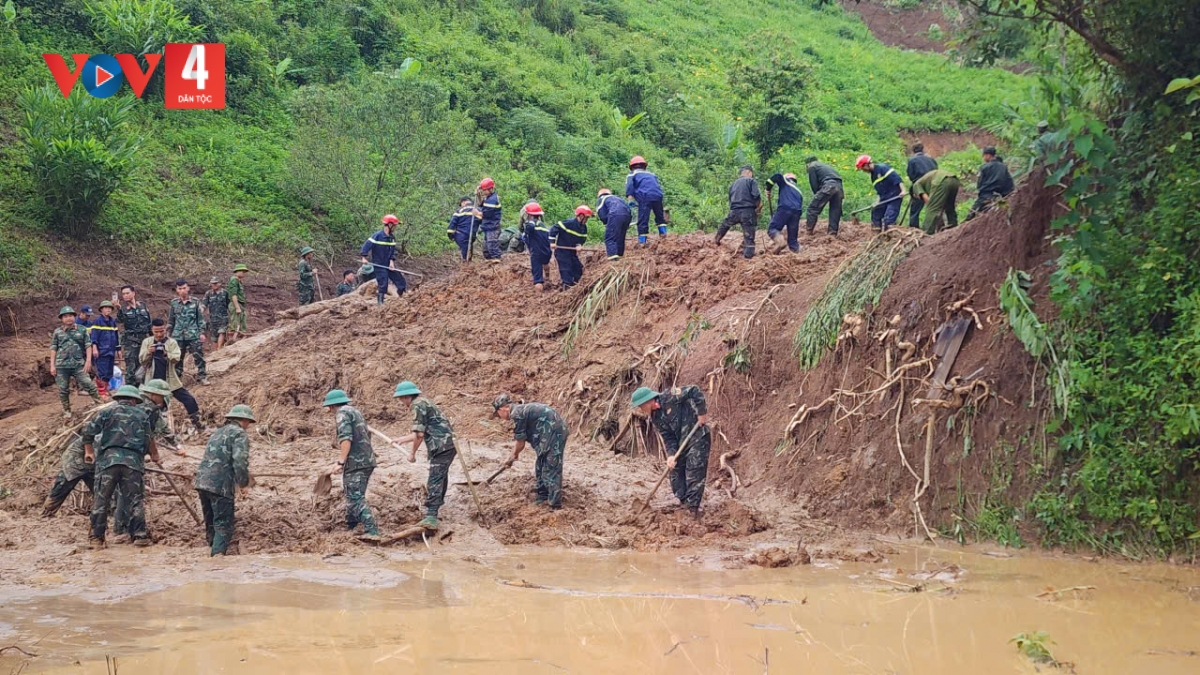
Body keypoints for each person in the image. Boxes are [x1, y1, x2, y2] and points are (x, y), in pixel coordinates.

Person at [82, 385, 157, 548]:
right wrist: (150, 455)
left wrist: (89, 451)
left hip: (108, 462)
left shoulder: (106, 412)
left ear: (119, 398)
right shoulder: (142, 415)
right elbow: (148, 439)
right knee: (135, 500)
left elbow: (88, 431)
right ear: (134, 400)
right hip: (133, 464)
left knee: (102, 499)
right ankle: (139, 536)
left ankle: (96, 538)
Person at [631, 386, 712, 517]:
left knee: (694, 472)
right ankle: (683, 502)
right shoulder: (655, 417)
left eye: (641, 406)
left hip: (697, 436)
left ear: (647, 401)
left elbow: (694, 390)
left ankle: (692, 510)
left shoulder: (670, 395)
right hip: (681, 444)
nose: (641, 409)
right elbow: (668, 438)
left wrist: (701, 413)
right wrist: (671, 455)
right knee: (675, 473)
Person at [391, 381, 457, 530]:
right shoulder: (424, 402)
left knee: (435, 479)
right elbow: (422, 431)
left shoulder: (417, 405)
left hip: (441, 446)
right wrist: (402, 439)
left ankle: (431, 516)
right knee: (441, 476)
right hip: (448, 445)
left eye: (401, 399)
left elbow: (419, 435)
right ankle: (436, 508)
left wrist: (412, 453)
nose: (401, 402)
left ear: (406, 397)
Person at [194, 404, 255, 556]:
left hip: (202, 481)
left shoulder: (217, 433)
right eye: (248, 422)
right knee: (223, 524)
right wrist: (243, 483)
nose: (248, 426)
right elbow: (240, 461)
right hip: (220, 485)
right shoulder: (239, 434)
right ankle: (217, 558)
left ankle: (210, 551)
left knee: (210, 521)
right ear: (244, 420)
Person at [322, 389, 381, 541]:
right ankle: (351, 525)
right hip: (367, 461)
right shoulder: (355, 412)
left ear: (331, 406)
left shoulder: (341, 414)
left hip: (356, 463)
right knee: (352, 494)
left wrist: (340, 462)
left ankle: (372, 531)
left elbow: (346, 439)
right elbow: (367, 434)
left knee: (355, 498)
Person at [493, 394, 568, 509]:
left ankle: (555, 505)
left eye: (498, 414)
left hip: (554, 432)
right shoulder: (519, 411)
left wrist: (512, 456)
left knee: (551, 466)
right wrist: (514, 454)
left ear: (503, 409)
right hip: (546, 434)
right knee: (540, 464)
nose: (499, 417)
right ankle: (543, 495)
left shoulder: (516, 414)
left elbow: (520, 442)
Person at [141, 319, 204, 431]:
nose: (159, 334)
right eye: (156, 332)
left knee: (189, 400)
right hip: (152, 382)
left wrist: (166, 353)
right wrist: (148, 352)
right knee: (151, 407)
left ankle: (198, 423)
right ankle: (152, 430)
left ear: (165, 329)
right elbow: (142, 360)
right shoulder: (147, 342)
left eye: (161, 331)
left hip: (170, 380)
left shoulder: (171, 342)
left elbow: (176, 358)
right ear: (152, 330)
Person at [50, 306, 102, 419]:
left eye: (70, 316)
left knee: (89, 384)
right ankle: (67, 411)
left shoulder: (82, 329)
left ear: (74, 317)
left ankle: (100, 405)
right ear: (61, 319)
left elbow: (88, 345)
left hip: (78, 365)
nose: (68, 318)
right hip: (61, 366)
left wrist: (88, 361)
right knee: (63, 389)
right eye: (65, 316)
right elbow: (53, 348)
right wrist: (52, 365)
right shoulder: (57, 332)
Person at [715, 165, 762, 259]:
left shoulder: (733, 184)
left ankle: (717, 239)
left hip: (734, 211)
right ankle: (748, 257)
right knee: (749, 235)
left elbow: (730, 199)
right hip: (748, 211)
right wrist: (758, 208)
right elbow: (756, 195)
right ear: (749, 172)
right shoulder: (751, 181)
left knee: (725, 225)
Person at [167, 278, 208, 385]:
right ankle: (177, 379)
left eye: (184, 288)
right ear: (177, 290)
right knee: (177, 358)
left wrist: (202, 332)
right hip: (178, 335)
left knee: (198, 356)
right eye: (180, 289)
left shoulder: (195, 302)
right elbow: (171, 320)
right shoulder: (174, 303)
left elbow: (200, 319)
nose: (182, 291)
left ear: (188, 288)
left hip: (193, 334)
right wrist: (168, 335)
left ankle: (202, 376)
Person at [360, 214, 407, 305]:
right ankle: (380, 304)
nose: (395, 228)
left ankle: (401, 298)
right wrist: (364, 257)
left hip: (388, 264)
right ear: (390, 225)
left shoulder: (392, 238)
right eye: (395, 225)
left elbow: (393, 252)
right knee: (383, 283)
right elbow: (366, 246)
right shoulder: (377, 236)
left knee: (401, 281)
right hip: (379, 264)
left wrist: (391, 262)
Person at [855, 155, 907, 232]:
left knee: (889, 219)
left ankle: (890, 235)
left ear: (866, 165)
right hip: (884, 198)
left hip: (894, 196)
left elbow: (897, 178)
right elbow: (880, 191)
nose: (863, 170)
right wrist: (876, 202)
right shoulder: (873, 176)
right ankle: (876, 234)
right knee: (876, 212)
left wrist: (903, 190)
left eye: (862, 168)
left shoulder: (882, 168)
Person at [624, 155, 667, 245]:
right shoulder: (652, 174)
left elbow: (630, 187)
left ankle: (642, 242)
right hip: (658, 195)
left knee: (643, 219)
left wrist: (630, 200)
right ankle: (663, 234)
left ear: (632, 167)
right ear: (644, 166)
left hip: (645, 197)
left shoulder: (632, 174)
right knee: (659, 216)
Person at [116, 286, 152, 385]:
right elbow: (120, 320)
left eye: (127, 293)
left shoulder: (142, 305)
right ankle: (130, 390)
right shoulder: (123, 309)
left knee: (144, 365)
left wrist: (153, 338)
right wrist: (118, 308)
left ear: (133, 293)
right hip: (131, 342)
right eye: (123, 294)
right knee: (131, 368)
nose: (125, 295)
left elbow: (149, 323)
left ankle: (142, 388)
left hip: (144, 340)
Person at [968, 146, 1015, 219]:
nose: (983, 158)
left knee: (971, 214)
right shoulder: (1003, 167)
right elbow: (1009, 183)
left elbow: (979, 184)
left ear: (988, 155)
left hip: (985, 196)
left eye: (984, 155)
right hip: (1001, 196)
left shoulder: (984, 167)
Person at [549, 206, 591, 289]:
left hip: (572, 252)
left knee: (578, 268)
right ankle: (567, 288)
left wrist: (579, 245)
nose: (587, 220)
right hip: (562, 251)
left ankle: (576, 286)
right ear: (581, 216)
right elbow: (554, 228)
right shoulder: (569, 223)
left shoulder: (583, 228)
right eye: (586, 218)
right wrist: (552, 242)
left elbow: (582, 238)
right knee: (566, 269)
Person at [911, 169, 961, 234]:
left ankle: (927, 232)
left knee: (932, 209)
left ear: (914, 194)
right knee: (949, 207)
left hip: (941, 181)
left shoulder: (916, 186)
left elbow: (929, 202)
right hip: (954, 180)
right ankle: (953, 227)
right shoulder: (925, 181)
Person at [805, 156, 844, 236]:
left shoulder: (812, 166)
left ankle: (808, 233)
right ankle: (832, 234)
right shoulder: (824, 166)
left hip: (829, 185)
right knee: (835, 210)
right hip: (839, 187)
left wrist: (817, 197)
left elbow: (814, 185)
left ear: (807, 164)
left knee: (812, 209)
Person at [765, 171, 804, 253]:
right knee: (793, 240)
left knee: (773, 229)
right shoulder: (799, 191)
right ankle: (796, 249)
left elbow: (777, 176)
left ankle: (780, 241)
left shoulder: (786, 181)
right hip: (797, 211)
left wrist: (768, 188)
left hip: (785, 208)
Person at [90, 300, 120, 398]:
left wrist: (118, 349)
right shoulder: (98, 321)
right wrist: (95, 348)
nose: (108, 310)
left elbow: (116, 337)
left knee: (109, 372)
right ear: (101, 310)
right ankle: (101, 392)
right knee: (101, 372)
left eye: (109, 308)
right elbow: (94, 336)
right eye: (106, 308)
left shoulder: (112, 322)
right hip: (101, 351)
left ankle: (106, 389)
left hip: (111, 351)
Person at [906, 143, 938, 229]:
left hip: (920, 186)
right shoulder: (931, 159)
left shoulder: (912, 161)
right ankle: (936, 227)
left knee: (915, 209)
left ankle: (914, 228)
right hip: (933, 185)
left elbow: (911, 175)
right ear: (923, 149)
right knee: (934, 206)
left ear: (913, 151)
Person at [523, 202, 552, 291]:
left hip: (536, 253)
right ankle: (547, 278)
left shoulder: (530, 225)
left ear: (530, 215)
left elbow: (529, 231)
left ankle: (539, 296)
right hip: (547, 251)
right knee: (545, 263)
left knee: (537, 279)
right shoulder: (543, 225)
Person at [596, 188, 633, 260]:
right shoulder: (618, 198)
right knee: (620, 237)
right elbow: (628, 208)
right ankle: (620, 255)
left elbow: (602, 213)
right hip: (627, 215)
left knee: (609, 237)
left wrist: (606, 222)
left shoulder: (601, 199)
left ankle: (612, 257)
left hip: (615, 214)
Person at [476, 178, 503, 263]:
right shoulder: (488, 197)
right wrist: (478, 195)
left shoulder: (492, 200)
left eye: (485, 190)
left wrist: (477, 213)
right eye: (483, 190)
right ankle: (489, 261)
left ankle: (497, 259)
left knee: (492, 245)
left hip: (493, 226)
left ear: (491, 189)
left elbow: (487, 214)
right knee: (486, 247)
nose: (484, 192)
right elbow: (480, 204)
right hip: (487, 226)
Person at [447, 196, 480, 261]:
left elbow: (452, 225)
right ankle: (468, 262)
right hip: (472, 235)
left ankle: (465, 263)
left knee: (465, 252)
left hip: (461, 235)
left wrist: (451, 236)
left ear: (464, 202)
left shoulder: (459, 211)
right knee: (468, 249)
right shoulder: (478, 210)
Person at [202, 277, 229, 350]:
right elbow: (204, 304)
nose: (214, 285)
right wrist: (201, 310)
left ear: (220, 283)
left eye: (215, 283)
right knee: (214, 338)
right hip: (213, 319)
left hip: (223, 318)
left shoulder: (225, 293)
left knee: (222, 332)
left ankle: (219, 349)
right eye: (212, 283)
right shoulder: (208, 293)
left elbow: (229, 304)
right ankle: (215, 352)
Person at [227, 264, 249, 343]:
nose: (244, 273)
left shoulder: (238, 281)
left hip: (240, 304)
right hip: (236, 304)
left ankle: (242, 337)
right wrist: (237, 307)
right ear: (237, 271)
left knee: (243, 320)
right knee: (235, 322)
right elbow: (233, 295)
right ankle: (232, 340)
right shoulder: (234, 280)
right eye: (242, 271)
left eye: (244, 272)